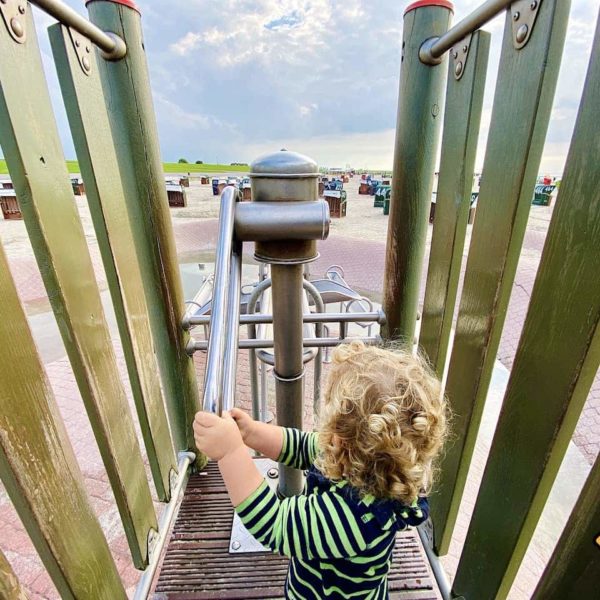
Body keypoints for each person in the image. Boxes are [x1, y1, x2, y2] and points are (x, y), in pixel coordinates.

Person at [193, 341, 449, 599]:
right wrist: (251, 433)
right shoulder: (369, 467)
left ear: (343, 442)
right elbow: (303, 447)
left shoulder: (352, 518)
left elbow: (274, 524)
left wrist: (230, 452)